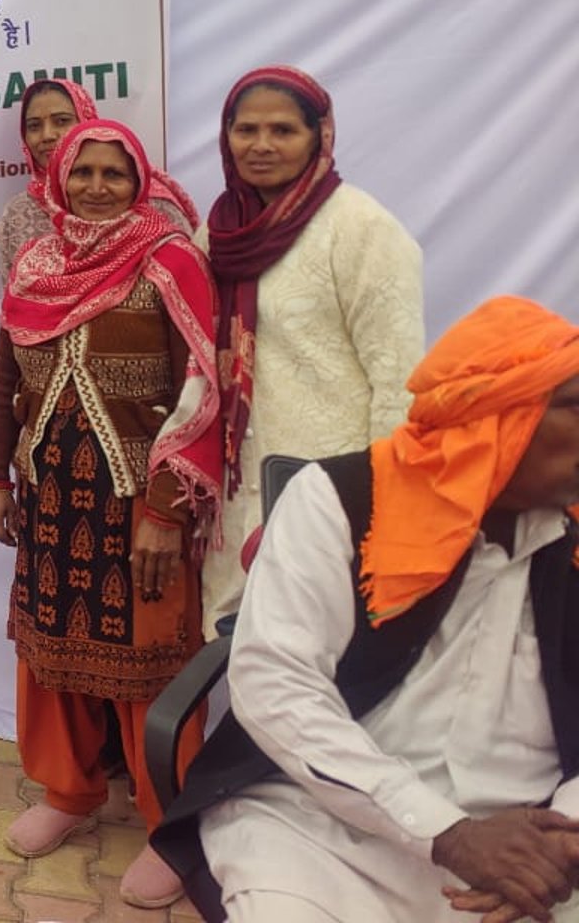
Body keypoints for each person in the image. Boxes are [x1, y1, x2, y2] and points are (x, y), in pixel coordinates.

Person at [155, 296, 579, 923]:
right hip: (321, 828)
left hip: (529, 836)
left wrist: (564, 839)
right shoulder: (337, 502)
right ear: (496, 416)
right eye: (573, 405)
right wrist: (449, 834)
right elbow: (278, 687)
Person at [0, 119, 223, 909]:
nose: (95, 187)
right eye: (83, 172)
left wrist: (165, 508)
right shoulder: (38, 261)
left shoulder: (171, 257)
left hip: (138, 501)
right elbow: (2, 378)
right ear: (58, 179)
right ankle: (70, 793)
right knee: (52, 648)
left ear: (139, 179)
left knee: (152, 660)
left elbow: (203, 390)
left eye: (114, 173)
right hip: (51, 493)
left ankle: (172, 825)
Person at [199, 65, 424, 624]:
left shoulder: (361, 230)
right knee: (243, 654)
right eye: (245, 130)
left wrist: (379, 508)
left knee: (318, 657)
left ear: (320, 136)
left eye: (283, 130)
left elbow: (401, 384)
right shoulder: (219, 233)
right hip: (236, 491)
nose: (261, 146)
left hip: (328, 488)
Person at [0, 77, 197, 280]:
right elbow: (14, 300)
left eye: (61, 121)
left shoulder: (152, 202)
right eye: (34, 126)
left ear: (87, 120)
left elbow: (188, 279)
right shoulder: (19, 214)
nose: (47, 135)